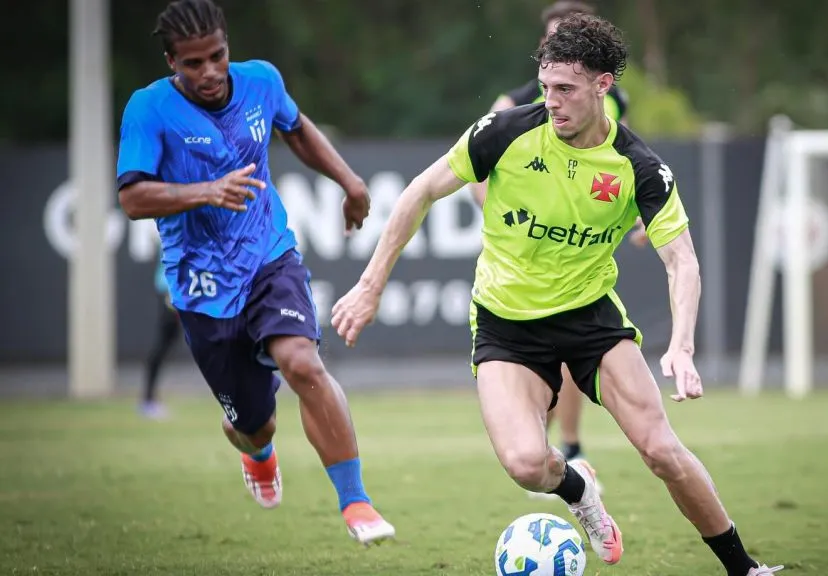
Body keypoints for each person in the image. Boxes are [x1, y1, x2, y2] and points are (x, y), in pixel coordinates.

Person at [331, 13, 781, 575]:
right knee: (524, 463)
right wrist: (371, 286)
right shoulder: (504, 131)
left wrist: (682, 345)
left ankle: (745, 568)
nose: (552, 102)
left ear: (602, 85)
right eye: (545, 87)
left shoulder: (638, 167)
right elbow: (420, 192)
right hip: (505, 325)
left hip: (590, 318)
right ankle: (580, 493)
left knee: (663, 451)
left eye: (565, 89)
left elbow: (682, 260)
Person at [115, 0, 394, 545]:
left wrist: (351, 182)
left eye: (217, 56)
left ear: (227, 46)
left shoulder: (261, 80)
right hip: (201, 290)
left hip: (269, 255)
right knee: (253, 424)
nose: (210, 72)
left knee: (302, 362)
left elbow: (296, 127)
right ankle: (260, 453)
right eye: (193, 63)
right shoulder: (148, 109)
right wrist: (206, 192)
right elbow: (132, 196)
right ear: (172, 61)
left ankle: (356, 501)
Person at [469, 0, 644, 496]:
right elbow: (475, 168)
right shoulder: (515, 105)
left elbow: (623, 155)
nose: (558, 45)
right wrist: (504, 218)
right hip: (522, 254)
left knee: (572, 353)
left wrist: (641, 215)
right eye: (551, 38)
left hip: (578, 252)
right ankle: (542, 448)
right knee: (533, 357)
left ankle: (570, 445)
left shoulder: (611, 100)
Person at [138, 257, 180, 420]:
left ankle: (149, 399)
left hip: (175, 287)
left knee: (168, 341)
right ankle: (148, 400)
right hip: (170, 288)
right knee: (163, 342)